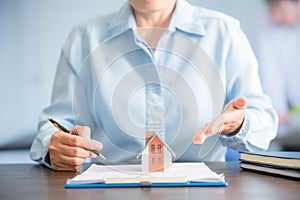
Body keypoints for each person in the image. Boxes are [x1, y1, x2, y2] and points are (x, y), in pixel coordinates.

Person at [30, 0, 278, 171]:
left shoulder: (224, 32)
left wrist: (239, 123)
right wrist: (57, 147)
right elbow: (53, 126)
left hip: (203, 190)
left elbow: (263, 122)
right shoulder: (84, 38)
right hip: (108, 190)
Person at [256, 0, 300, 137]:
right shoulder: (268, 27)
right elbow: (270, 74)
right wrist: (278, 110)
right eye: (271, 8)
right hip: (290, 117)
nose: (275, 16)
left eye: (280, 9)